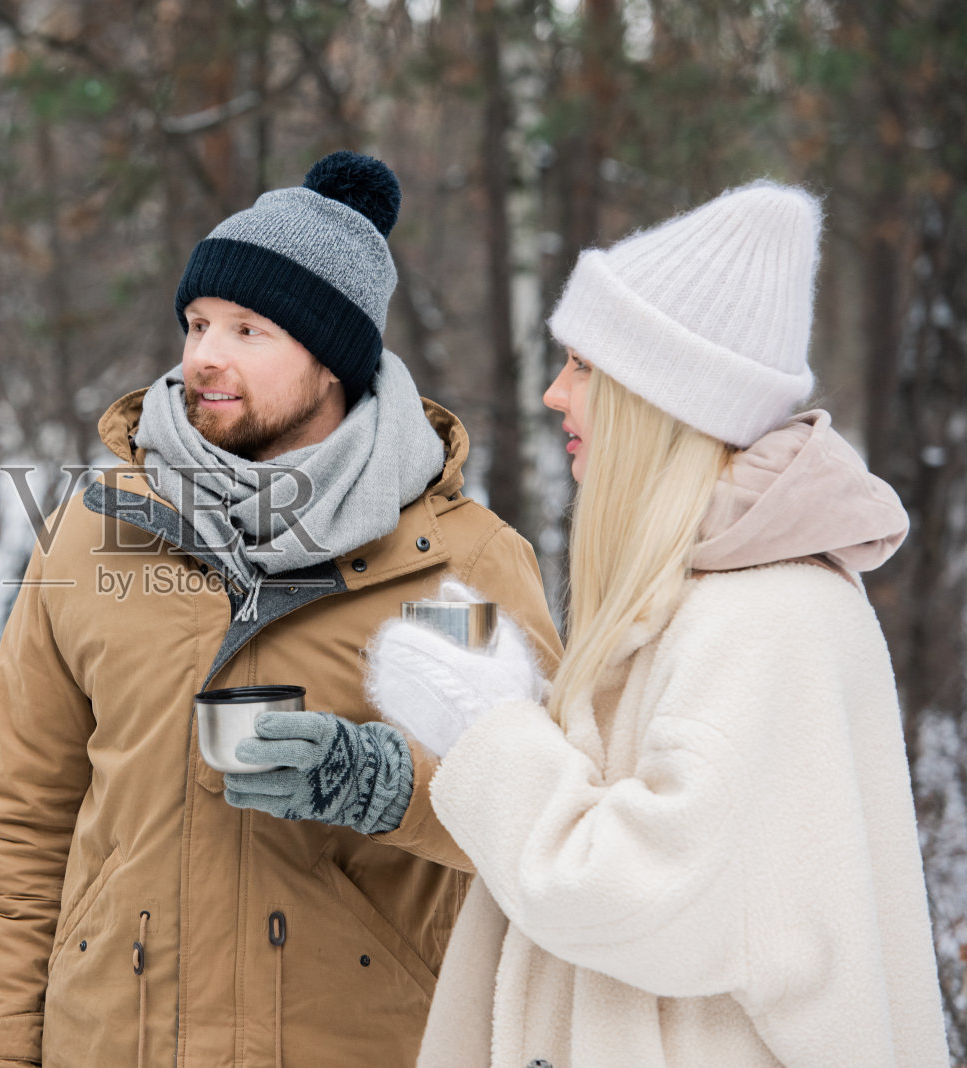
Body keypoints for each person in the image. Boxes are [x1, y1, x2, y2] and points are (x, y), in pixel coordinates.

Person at [0, 152, 562, 1068]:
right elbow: (24, 821)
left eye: (248, 329)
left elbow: (547, 820)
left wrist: (382, 784)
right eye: (195, 323)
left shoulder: (454, 567)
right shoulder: (91, 534)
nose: (203, 356)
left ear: (333, 359)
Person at [366, 182, 950, 1067]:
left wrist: (490, 730)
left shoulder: (770, 618)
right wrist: (524, 704)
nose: (557, 393)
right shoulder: (704, 597)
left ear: (664, 401)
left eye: (586, 367)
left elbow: (642, 890)